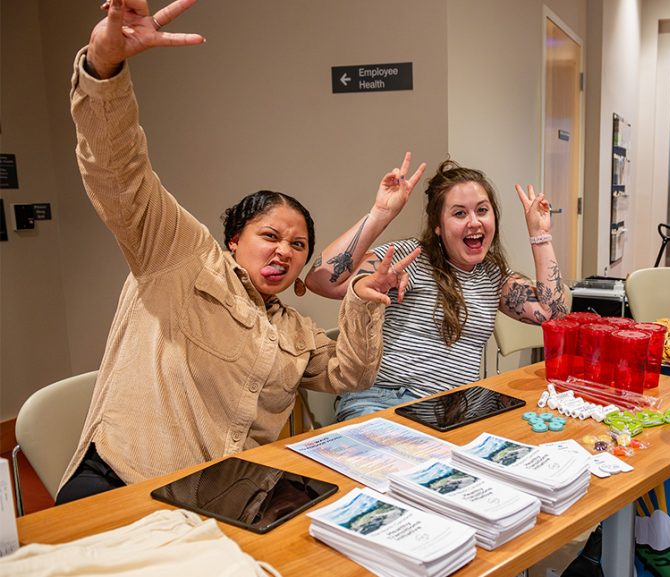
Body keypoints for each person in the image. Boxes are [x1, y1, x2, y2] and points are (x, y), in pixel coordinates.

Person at [57, 0, 418, 503]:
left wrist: (359, 296)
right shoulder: (179, 256)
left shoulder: (294, 330)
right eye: (270, 235)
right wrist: (104, 67)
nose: (285, 251)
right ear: (234, 239)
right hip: (127, 481)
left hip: (228, 499)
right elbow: (120, 172)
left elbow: (348, 374)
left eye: (298, 246)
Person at [306, 161, 569, 420]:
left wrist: (540, 234)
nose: (474, 222)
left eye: (482, 210)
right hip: (383, 401)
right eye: (459, 214)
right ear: (438, 226)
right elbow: (321, 280)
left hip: (451, 411)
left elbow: (551, 313)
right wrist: (380, 213)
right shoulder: (410, 257)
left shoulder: (493, 276)